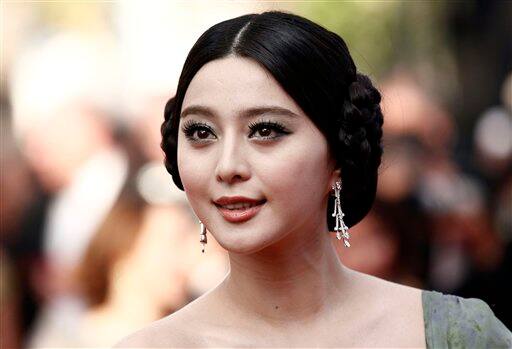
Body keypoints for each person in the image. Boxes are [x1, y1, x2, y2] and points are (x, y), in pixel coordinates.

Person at [116, 11, 511, 347]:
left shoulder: (451, 335)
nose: (227, 165)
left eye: (266, 130)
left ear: (338, 151)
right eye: (201, 132)